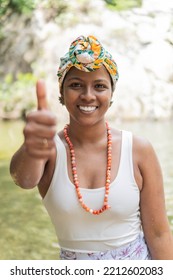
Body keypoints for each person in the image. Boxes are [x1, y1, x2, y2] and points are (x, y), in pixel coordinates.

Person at [10, 35, 173, 260]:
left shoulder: (138, 149)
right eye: (76, 84)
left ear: (111, 93)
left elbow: (159, 234)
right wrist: (31, 146)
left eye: (99, 86)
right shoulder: (49, 150)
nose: (88, 95)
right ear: (62, 92)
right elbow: (23, 179)